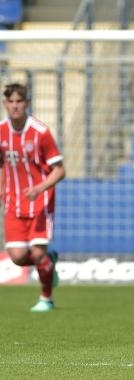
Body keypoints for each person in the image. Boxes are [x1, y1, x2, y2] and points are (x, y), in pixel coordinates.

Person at [0, 83, 65, 312]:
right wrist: (2, 189)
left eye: (19, 101)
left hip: (40, 201)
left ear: (26, 103)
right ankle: (50, 260)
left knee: (37, 253)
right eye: (11, 102)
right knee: (18, 257)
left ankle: (46, 298)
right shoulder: (1, 131)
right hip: (13, 203)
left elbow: (59, 169)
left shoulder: (40, 132)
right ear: (5, 104)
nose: (15, 106)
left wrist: (40, 187)